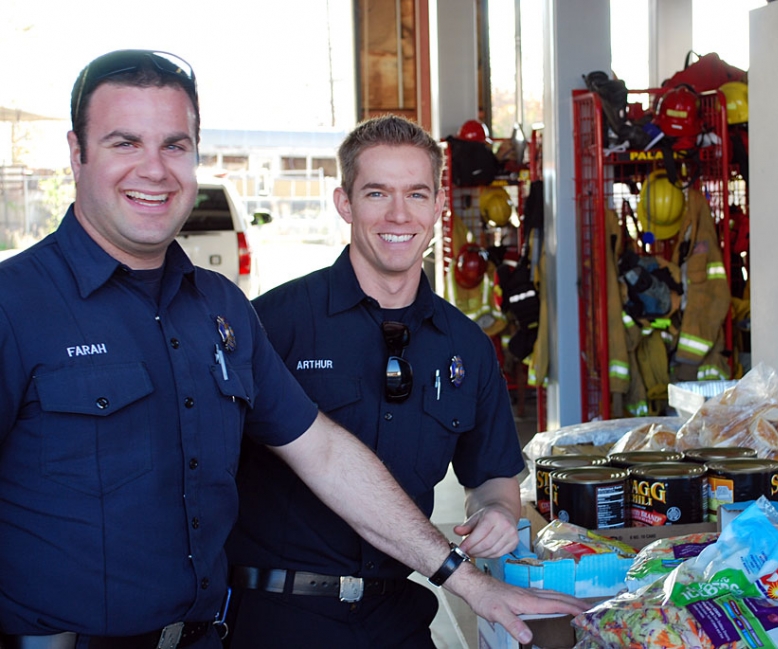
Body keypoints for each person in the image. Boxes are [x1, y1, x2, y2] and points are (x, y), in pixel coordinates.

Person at [0, 50, 586, 649]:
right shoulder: (14, 307)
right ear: (76, 153)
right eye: (125, 143)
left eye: (175, 145)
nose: (154, 170)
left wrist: (468, 580)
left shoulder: (220, 312)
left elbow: (326, 453)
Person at [223, 115, 527, 647]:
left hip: (398, 616)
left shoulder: (466, 346)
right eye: (376, 193)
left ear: (437, 206)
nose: (398, 215)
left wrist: (498, 511)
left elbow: (493, 476)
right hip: (280, 618)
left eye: (415, 194)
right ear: (345, 203)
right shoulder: (273, 325)